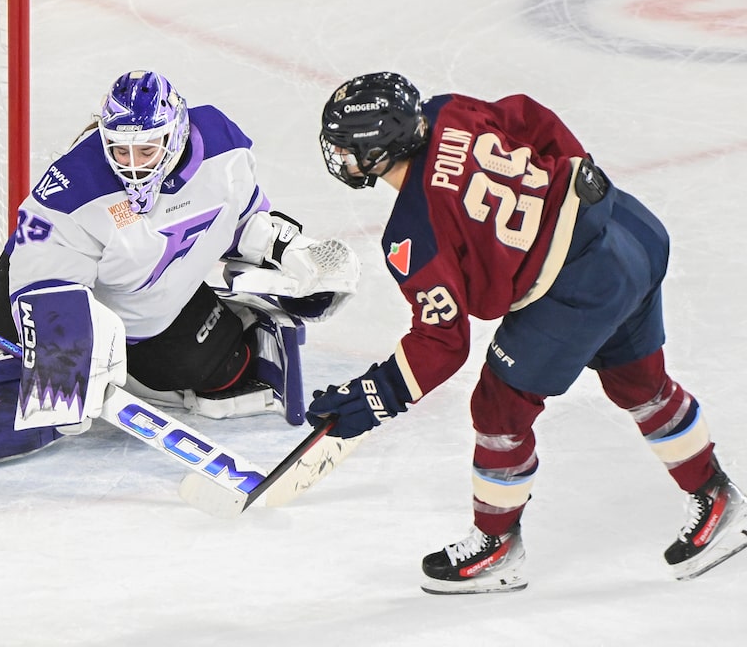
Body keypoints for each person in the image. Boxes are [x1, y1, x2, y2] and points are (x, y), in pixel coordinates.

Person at [307, 71, 747, 593]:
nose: (340, 156)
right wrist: (571, 188)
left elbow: (443, 342)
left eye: (347, 146)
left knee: (499, 408)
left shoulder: (412, 233)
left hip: (581, 290)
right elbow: (529, 114)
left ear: (378, 150)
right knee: (639, 383)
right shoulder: (448, 110)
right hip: (631, 230)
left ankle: (495, 547)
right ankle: (719, 499)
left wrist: (374, 396)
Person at [0, 70, 360, 491]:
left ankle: (168, 351)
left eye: (146, 150)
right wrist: (71, 351)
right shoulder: (71, 190)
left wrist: (294, 251)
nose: (130, 165)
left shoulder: (221, 144)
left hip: (159, 298)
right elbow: (40, 284)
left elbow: (243, 218)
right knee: (53, 398)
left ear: (175, 135)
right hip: (51, 293)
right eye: (119, 150)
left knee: (217, 372)